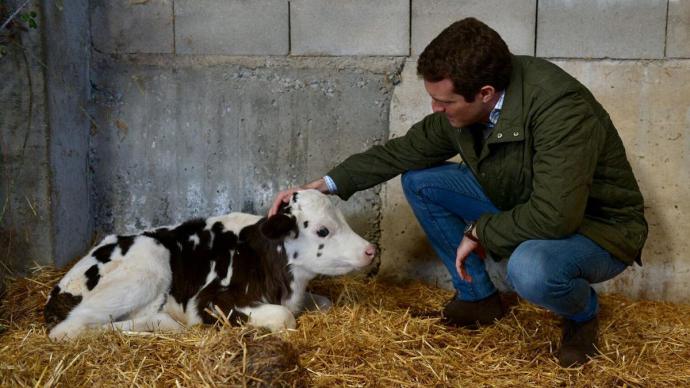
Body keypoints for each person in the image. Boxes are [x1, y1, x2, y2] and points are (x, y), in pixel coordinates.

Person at [269, 17, 647, 367]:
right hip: (522, 199)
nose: (436, 108)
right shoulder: (473, 104)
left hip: (595, 228)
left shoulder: (561, 111)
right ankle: (479, 299)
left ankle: (582, 315)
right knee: (421, 180)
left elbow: (556, 215)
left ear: (484, 92)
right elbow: (404, 151)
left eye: (445, 102)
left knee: (529, 269)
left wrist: (480, 231)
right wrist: (323, 185)